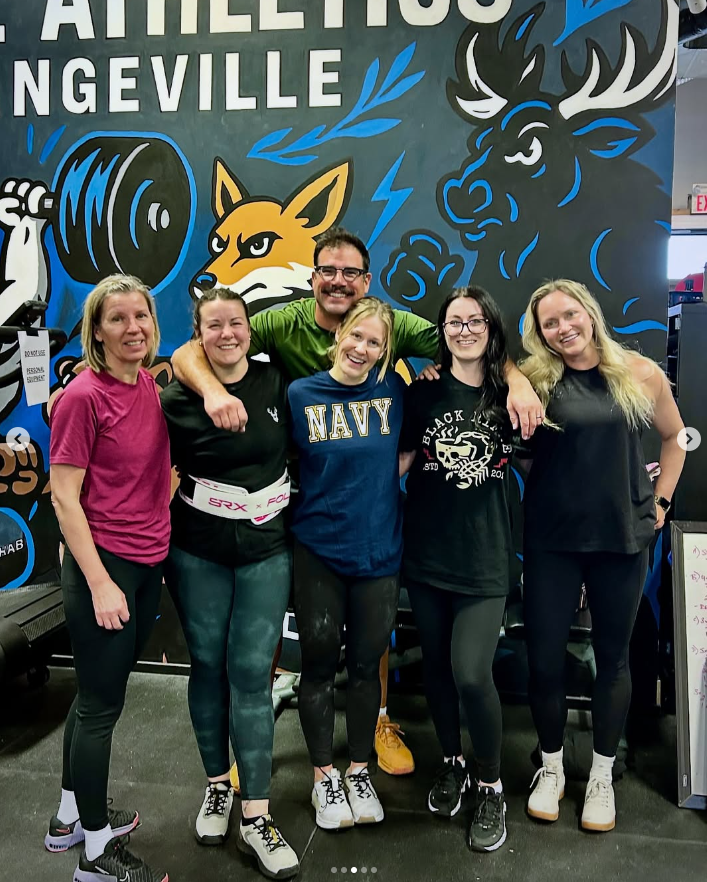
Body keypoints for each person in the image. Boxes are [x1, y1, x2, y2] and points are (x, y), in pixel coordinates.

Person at [171, 227, 544, 778]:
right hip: (300, 506)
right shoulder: (281, 328)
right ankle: (266, 730)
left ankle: (378, 728)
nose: (339, 281)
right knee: (300, 643)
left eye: (350, 272)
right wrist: (213, 391)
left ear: (367, 282)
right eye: (329, 270)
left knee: (373, 648)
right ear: (313, 277)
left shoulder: (393, 337)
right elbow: (194, 347)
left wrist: (517, 381)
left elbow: (469, 340)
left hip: (379, 525)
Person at [519, 279, 685, 832]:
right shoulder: (535, 380)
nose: (563, 328)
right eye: (549, 323)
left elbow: (676, 437)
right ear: (540, 333)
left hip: (621, 539)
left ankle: (601, 776)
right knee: (544, 661)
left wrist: (661, 502)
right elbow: (521, 446)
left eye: (570, 315)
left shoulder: (639, 372)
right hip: (552, 541)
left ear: (589, 314)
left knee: (613, 660)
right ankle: (550, 769)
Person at [159, 288, 299, 879]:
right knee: (208, 666)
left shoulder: (277, 383)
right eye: (213, 325)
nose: (227, 334)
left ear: (249, 327)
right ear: (198, 334)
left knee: (250, 672)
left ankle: (257, 816)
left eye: (235, 323)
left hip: (267, 549)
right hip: (198, 550)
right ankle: (218, 785)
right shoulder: (174, 399)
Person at [46, 275, 171, 882]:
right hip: (106, 568)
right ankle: (96, 854)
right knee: (100, 707)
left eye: (140, 316)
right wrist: (98, 582)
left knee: (95, 695)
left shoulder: (147, 383)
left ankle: (70, 816)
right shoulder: (82, 397)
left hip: (146, 563)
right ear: (96, 331)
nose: (132, 328)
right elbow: (63, 498)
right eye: (117, 319)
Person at [399, 285, 515, 852]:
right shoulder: (421, 392)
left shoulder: (512, 394)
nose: (464, 330)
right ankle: (453, 762)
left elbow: (545, 464)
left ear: (491, 329)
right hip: (426, 555)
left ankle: (491, 784)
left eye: (475, 321)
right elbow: (398, 459)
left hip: (485, 558)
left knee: (471, 672)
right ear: (441, 331)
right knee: (438, 670)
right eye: (453, 322)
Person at [286, 296, 404, 829]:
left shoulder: (393, 392)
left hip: (379, 551)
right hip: (319, 549)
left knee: (364, 666)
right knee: (316, 664)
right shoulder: (301, 394)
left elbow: (408, 452)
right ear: (338, 336)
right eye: (356, 335)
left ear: (384, 351)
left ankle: (358, 771)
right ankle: (323, 778)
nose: (362, 347)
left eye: (375, 342)